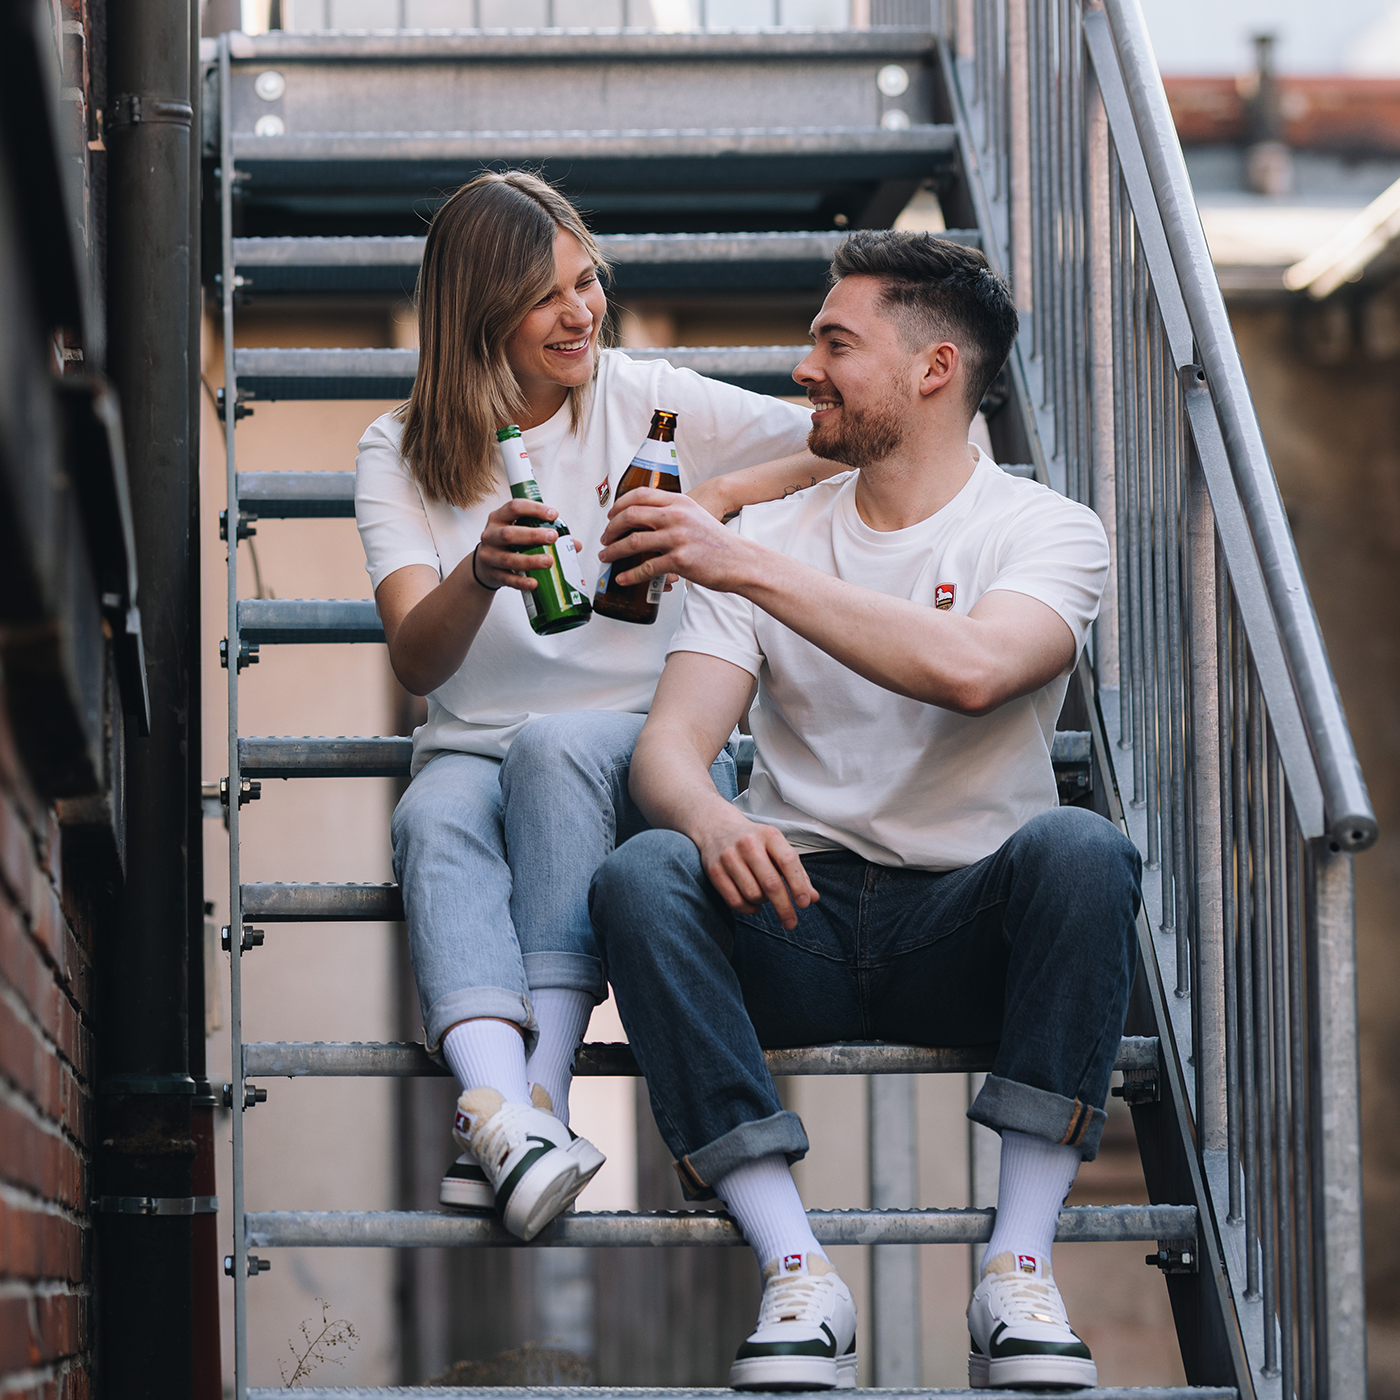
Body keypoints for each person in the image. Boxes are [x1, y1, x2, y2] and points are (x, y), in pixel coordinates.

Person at [587, 231, 1142, 1390]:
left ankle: (1015, 1272)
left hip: (965, 922)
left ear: (933, 369)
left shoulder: (1044, 531)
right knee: (640, 871)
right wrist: (708, 815)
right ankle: (796, 1270)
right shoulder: (767, 537)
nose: (803, 369)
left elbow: (977, 669)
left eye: (835, 344)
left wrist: (740, 562)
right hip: (790, 906)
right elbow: (670, 750)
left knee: (1083, 851)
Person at [354, 171, 839, 1242]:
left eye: (588, 283)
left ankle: (540, 1097)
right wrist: (475, 574)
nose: (581, 313)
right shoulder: (398, 450)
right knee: (430, 815)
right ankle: (504, 1124)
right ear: (479, 313)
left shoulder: (648, 397)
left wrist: (710, 501)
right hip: (477, 746)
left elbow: (831, 441)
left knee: (560, 748)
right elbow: (418, 662)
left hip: (644, 746)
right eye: (546, 295)